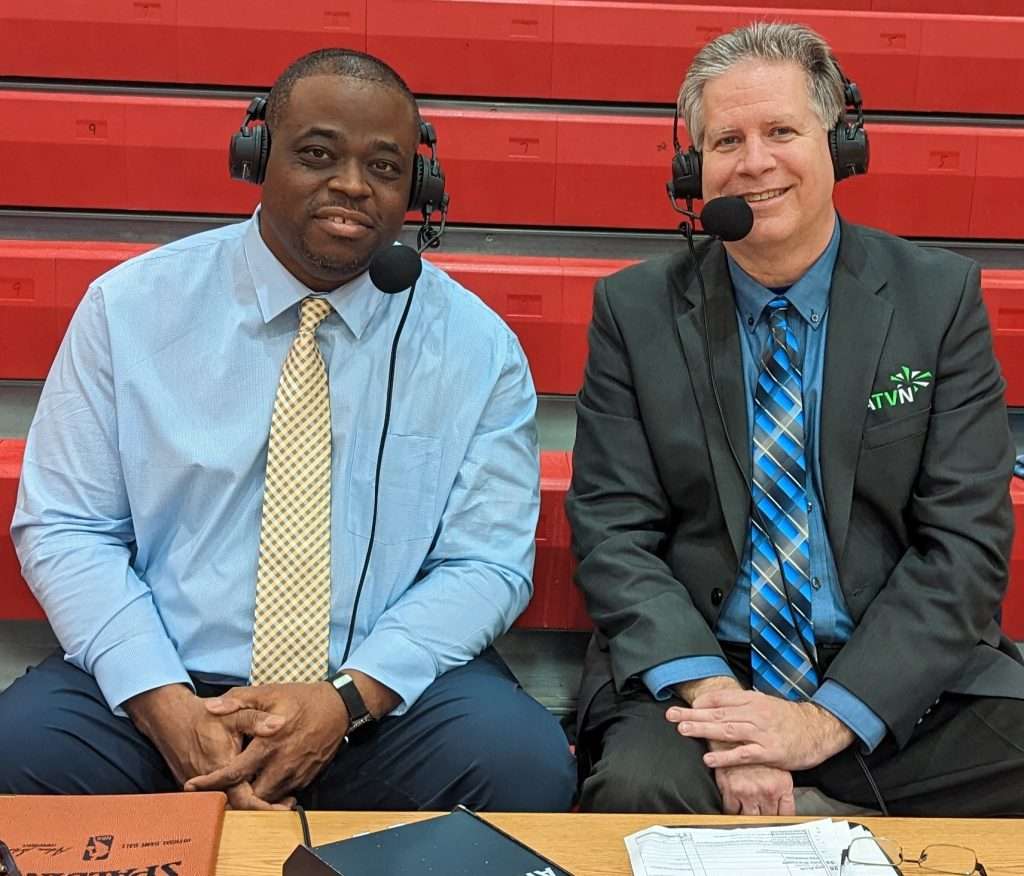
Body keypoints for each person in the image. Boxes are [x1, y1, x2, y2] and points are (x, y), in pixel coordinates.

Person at [0, 48, 575, 812]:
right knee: (20, 752)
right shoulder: (131, 308)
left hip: (372, 701)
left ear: (419, 190)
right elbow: (68, 527)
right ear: (257, 159)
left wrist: (343, 703)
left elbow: (485, 562)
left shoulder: (475, 344)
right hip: (169, 683)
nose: (350, 185)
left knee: (518, 762)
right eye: (316, 154)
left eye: (384, 166)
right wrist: (163, 703)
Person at [566, 22, 1024, 817]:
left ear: (839, 147)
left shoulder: (936, 298)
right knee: (638, 793)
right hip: (706, 670)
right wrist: (727, 713)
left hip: (890, 672)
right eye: (725, 140)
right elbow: (612, 534)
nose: (754, 162)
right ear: (693, 169)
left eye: (781, 131)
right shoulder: (633, 309)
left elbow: (966, 544)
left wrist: (821, 722)